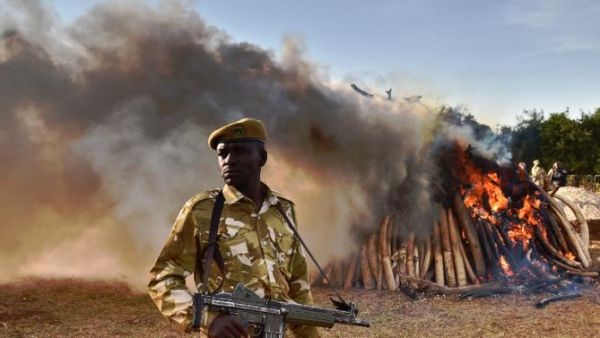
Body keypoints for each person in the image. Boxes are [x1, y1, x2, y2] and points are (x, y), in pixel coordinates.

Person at [148, 118, 319, 338]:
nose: (229, 160)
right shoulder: (202, 211)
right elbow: (163, 278)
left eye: (240, 151)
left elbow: (299, 289)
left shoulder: (283, 211)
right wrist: (207, 320)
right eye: (223, 154)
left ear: (262, 158)